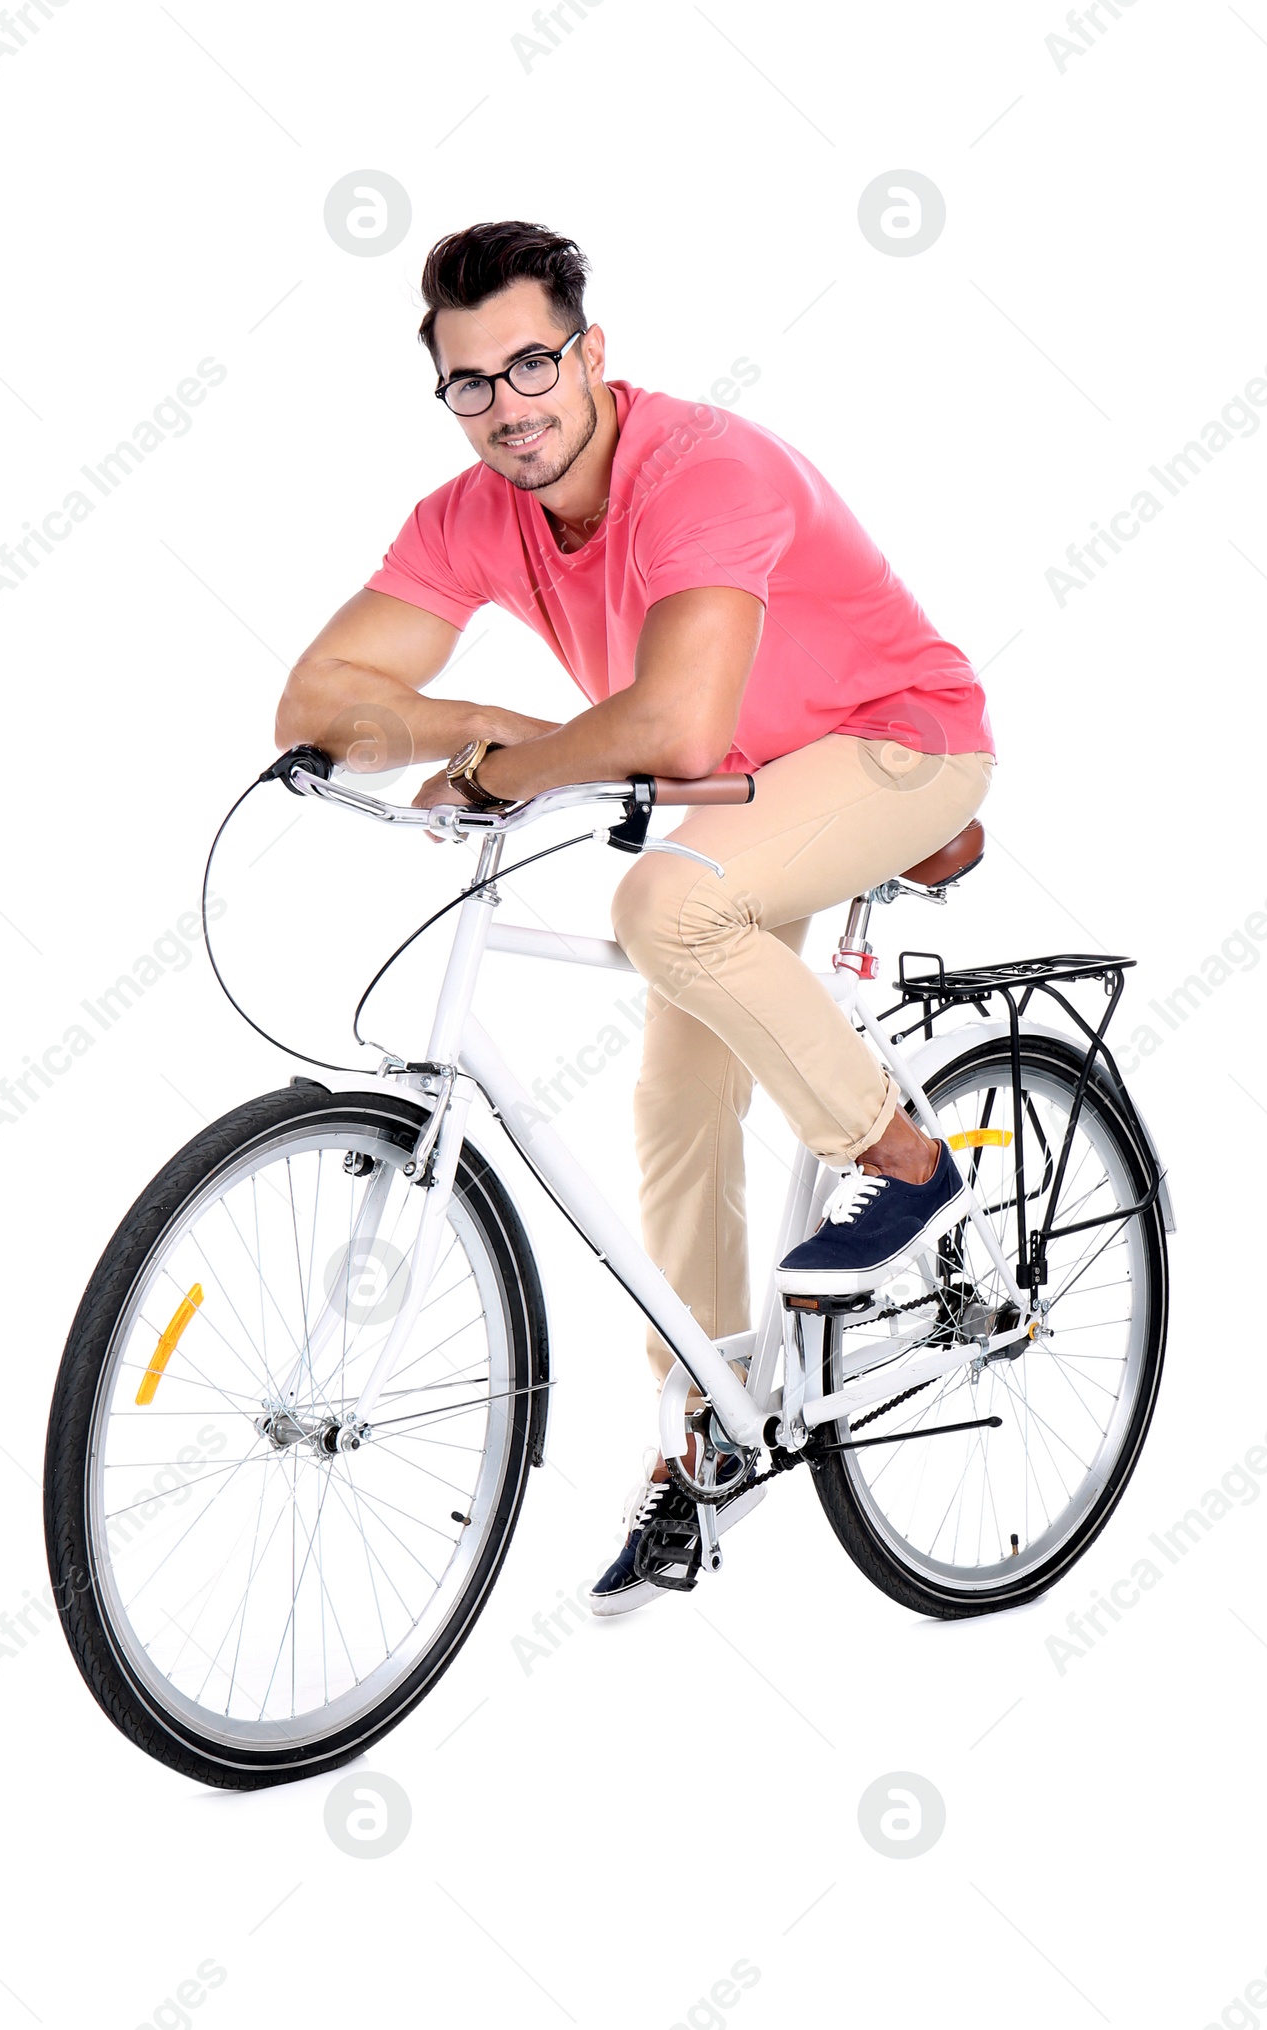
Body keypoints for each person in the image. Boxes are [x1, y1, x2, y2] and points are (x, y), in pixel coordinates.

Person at [274, 220, 996, 1614]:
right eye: (470, 383)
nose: (509, 407)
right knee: (673, 1109)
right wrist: (493, 723)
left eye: (533, 362)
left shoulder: (702, 470)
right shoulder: (475, 512)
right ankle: (708, 1428)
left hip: (897, 744)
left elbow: (672, 722)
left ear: (592, 353)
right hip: (743, 790)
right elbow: (316, 703)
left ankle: (907, 1165)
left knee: (664, 902)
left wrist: (505, 766)